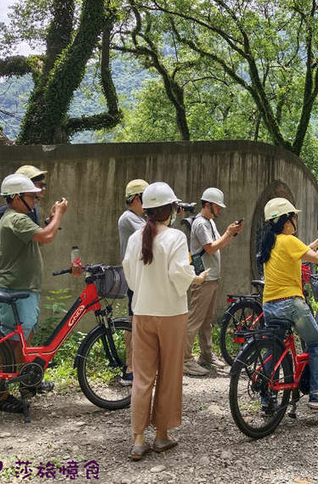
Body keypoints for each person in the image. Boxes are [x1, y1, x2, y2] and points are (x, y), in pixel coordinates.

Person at [122, 181, 208, 461]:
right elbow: (179, 275)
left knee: (142, 376)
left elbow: (131, 277)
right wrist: (195, 278)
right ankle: (161, 435)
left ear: (147, 210)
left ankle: (138, 439)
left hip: (142, 312)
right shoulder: (175, 238)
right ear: (172, 208)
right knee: (169, 375)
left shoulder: (136, 237)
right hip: (171, 313)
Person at [0, 173, 68, 413]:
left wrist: (49, 218)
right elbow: (46, 237)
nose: (35, 200)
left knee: (23, 339)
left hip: (25, 289)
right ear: (16, 197)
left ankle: (24, 383)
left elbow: (40, 235)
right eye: (31, 197)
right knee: (10, 343)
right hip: (17, 288)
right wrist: (58, 215)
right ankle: (1, 395)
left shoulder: (18, 218)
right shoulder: (16, 218)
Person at [257, 197, 318, 409]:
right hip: (291, 304)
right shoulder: (288, 240)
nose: (296, 220)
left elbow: (303, 253)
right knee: (317, 343)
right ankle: (317, 394)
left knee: (275, 349)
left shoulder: (271, 242)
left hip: (269, 305)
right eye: (294, 217)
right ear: (286, 221)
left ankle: (266, 397)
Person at [0, 165, 50, 326]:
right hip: (9, 275)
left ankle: (4, 350)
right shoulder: (13, 210)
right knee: (5, 327)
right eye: (38, 184)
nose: (42, 188)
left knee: (18, 329)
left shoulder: (31, 209)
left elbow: (39, 239)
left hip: (20, 277)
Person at [183, 187, 244, 376]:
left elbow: (220, 245)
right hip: (203, 279)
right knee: (195, 319)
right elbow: (210, 248)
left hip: (212, 278)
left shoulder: (209, 222)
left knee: (206, 320)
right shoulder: (201, 224)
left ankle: (206, 355)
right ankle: (184, 360)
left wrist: (231, 234)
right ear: (208, 205)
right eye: (218, 207)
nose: (221, 210)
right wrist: (228, 233)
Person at [117, 178, 150, 386]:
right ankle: (129, 369)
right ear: (137, 198)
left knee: (138, 322)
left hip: (139, 278)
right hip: (134, 280)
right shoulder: (129, 218)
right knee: (132, 323)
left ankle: (134, 366)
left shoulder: (136, 217)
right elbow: (152, 233)